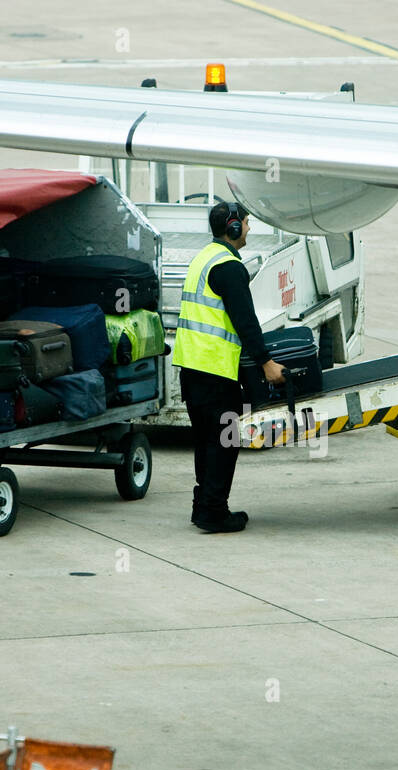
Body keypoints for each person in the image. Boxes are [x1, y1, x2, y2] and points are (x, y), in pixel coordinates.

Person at [174, 201, 286, 533]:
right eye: (247, 223)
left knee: (206, 440)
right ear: (233, 228)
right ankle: (214, 512)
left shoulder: (203, 258)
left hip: (191, 366)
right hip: (214, 369)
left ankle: (203, 506)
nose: (249, 229)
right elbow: (245, 322)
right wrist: (266, 362)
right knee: (224, 439)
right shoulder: (229, 267)